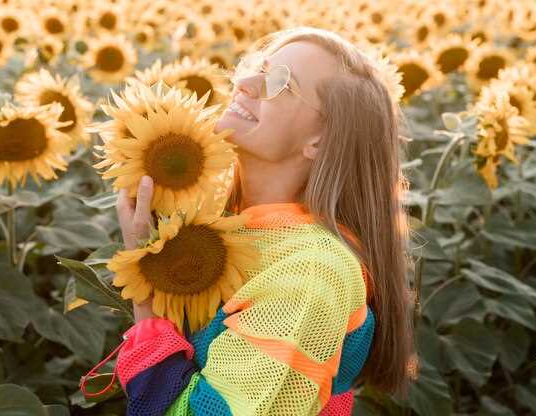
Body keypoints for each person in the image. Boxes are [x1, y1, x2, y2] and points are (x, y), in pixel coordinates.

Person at [112, 26, 415, 415]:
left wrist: (147, 298)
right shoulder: (233, 223)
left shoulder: (312, 273)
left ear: (320, 141)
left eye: (280, 83)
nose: (245, 83)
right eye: (259, 67)